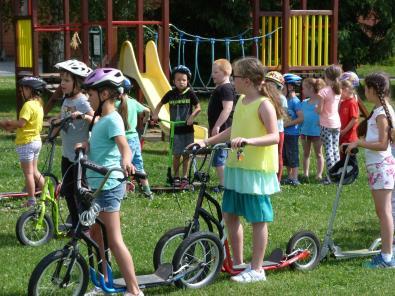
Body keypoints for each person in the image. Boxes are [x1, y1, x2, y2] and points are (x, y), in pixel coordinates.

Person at [192, 57, 281, 283]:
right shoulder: (242, 101)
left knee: (258, 219)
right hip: (238, 167)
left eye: (237, 77)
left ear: (249, 81)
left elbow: (274, 137)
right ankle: (240, 263)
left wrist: (248, 141)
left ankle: (257, 269)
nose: (233, 81)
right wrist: (207, 142)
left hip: (255, 170)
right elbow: (233, 129)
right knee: (230, 214)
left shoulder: (264, 104)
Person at [82, 68, 143, 296]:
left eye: (91, 93)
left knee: (114, 240)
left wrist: (127, 162)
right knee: (98, 235)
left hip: (109, 186)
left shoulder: (113, 120)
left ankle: (135, 290)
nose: (88, 97)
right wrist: (86, 146)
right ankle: (105, 282)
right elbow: (99, 144)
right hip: (98, 185)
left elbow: (124, 147)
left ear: (105, 93)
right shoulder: (101, 119)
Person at [346, 72, 395, 268]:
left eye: (366, 88)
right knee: (382, 211)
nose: (364, 91)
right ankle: (388, 252)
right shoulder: (379, 111)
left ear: (374, 90)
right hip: (378, 168)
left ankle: (386, 257)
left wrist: (360, 142)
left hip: (382, 167)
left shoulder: (382, 113)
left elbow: (383, 144)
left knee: (384, 213)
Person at [54, 59, 94, 230]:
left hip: (80, 155)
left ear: (77, 82)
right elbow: (65, 119)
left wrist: (83, 116)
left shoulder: (83, 101)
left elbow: (97, 119)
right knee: (68, 191)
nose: (62, 83)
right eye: (61, 79)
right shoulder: (66, 100)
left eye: (67, 80)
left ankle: (86, 223)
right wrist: (57, 121)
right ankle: (76, 223)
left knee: (81, 192)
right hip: (66, 154)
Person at [152, 65, 201, 188]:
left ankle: (185, 177)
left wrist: (191, 117)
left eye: (184, 80)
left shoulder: (190, 93)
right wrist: (155, 114)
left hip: (188, 130)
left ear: (187, 81)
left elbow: (198, 108)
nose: (181, 82)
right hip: (175, 130)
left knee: (186, 154)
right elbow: (159, 104)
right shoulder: (171, 94)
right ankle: (176, 176)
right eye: (178, 80)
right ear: (174, 81)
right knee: (176, 154)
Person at [0, 77, 45, 206]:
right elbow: (28, 124)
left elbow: (21, 123)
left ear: (30, 90)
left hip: (26, 143)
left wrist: (8, 122)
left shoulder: (28, 105)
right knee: (35, 171)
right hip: (36, 140)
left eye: (24, 89)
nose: (22, 92)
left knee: (29, 174)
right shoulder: (39, 104)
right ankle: (47, 194)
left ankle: (31, 201)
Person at [118, 78, 153, 199]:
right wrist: (145, 119)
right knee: (139, 166)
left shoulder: (115, 104)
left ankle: (122, 194)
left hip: (122, 139)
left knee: (122, 166)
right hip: (134, 139)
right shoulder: (133, 102)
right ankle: (148, 193)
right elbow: (147, 110)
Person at [208, 59, 238, 192]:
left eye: (216, 72)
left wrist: (217, 126)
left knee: (219, 158)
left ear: (226, 73)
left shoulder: (225, 88)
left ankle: (224, 185)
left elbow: (228, 108)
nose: (212, 75)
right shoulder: (222, 87)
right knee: (221, 157)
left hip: (224, 129)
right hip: (221, 128)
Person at [317, 64, 342, 184]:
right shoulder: (339, 90)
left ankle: (331, 177)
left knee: (328, 150)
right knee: (335, 149)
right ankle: (338, 174)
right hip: (336, 123)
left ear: (327, 77)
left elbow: (319, 110)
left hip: (326, 123)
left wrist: (315, 108)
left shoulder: (324, 91)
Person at [300, 78, 325, 182]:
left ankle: (319, 174)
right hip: (305, 131)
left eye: (304, 88)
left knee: (319, 153)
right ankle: (305, 173)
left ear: (311, 89)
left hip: (317, 132)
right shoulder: (304, 103)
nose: (302, 90)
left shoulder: (320, 102)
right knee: (306, 153)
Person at [264, 71, 287, 181]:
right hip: (265, 130)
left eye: (272, 84)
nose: (269, 86)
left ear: (279, 87)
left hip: (278, 130)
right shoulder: (262, 98)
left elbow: (282, 114)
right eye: (268, 83)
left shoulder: (281, 99)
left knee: (278, 154)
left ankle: (277, 180)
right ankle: (267, 176)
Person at [282, 73, 303, 186]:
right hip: (284, 133)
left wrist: (288, 124)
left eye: (282, 86)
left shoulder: (295, 101)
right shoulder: (285, 100)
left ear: (290, 87)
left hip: (292, 134)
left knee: (293, 155)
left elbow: (300, 118)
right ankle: (289, 176)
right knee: (285, 155)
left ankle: (295, 177)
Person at [339, 72, 360, 161]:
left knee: (349, 157)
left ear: (347, 90)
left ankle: (351, 173)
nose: (340, 93)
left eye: (341, 90)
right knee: (342, 156)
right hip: (343, 135)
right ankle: (342, 173)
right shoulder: (343, 102)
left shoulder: (352, 103)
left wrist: (345, 130)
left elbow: (354, 119)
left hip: (349, 136)